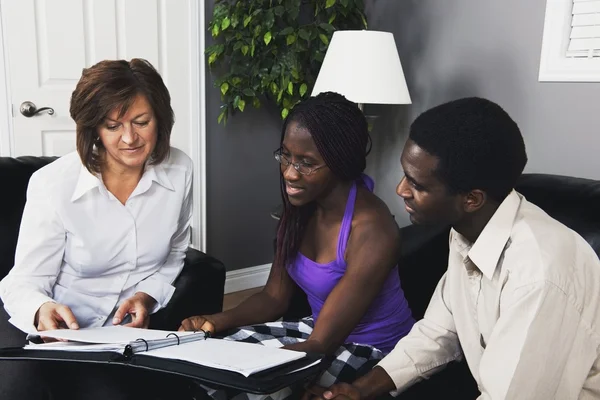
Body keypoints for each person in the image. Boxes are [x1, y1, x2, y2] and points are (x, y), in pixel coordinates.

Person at [306, 97, 600, 399]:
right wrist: (358, 390)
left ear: (471, 199)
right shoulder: (468, 231)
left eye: (416, 185)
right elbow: (438, 332)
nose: (400, 190)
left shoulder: (540, 275)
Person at [179, 92, 415, 399]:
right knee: (206, 365)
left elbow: (321, 345)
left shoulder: (372, 229)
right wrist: (213, 321)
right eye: (286, 156)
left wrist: (252, 367)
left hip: (373, 350)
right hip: (318, 330)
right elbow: (273, 298)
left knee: (252, 390)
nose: (290, 172)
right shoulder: (301, 208)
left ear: (341, 164)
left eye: (306, 163)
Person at [0, 58, 194, 399]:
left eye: (141, 121)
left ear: (160, 120)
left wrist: (147, 296)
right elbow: (23, 282)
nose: (130, 138)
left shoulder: (180, 170)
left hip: (122, 336)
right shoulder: (53, 185)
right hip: (57, 329)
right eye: (113, 126)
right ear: (94, 129)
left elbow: (176, 252)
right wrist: (42, 310)